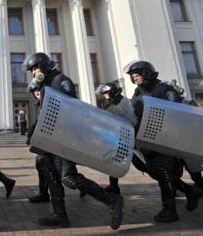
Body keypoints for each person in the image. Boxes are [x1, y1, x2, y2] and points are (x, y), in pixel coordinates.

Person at [23, 53, 124, 230]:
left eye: (35, 68)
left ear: (45, 66)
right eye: (31, 70)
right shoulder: (45, 85)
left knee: (69, 178)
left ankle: (111, 201)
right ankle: (60, 215)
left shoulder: (61, 81)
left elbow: (68, 109)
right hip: (49, 140)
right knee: (50, 174)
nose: (33, 73)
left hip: (64, 138)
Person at [125, 60, 202, 222]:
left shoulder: (164, 89)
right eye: (133, 76)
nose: (134, 79)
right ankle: (189, 191)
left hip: (164, 140)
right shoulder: (137, 93)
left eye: (137, 75)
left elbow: (179, 114)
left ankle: (170, 211)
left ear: (146, 74)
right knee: (156, 172)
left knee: (164, 173)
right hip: (146, 142)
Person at [26, 83, 51, 203]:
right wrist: (30, 135)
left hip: (50, 141)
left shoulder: (48, 103)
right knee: (41, 165)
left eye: (38, 89)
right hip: (42, 142)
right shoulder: (38, 105)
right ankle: (43, 193)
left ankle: (82, 186)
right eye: (34, 91)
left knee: (64, 172)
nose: (36, 92)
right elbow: (37, 122)